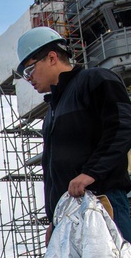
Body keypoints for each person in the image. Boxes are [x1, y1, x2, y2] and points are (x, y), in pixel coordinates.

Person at [16, 26, 131, 245]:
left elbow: (122, 126)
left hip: (101, 203)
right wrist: (54, 220)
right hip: (68, 215)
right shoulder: (53, 109)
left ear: (51, 58)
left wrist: (91, 173)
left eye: (29, 70)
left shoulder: (95, 80)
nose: (29, 79)